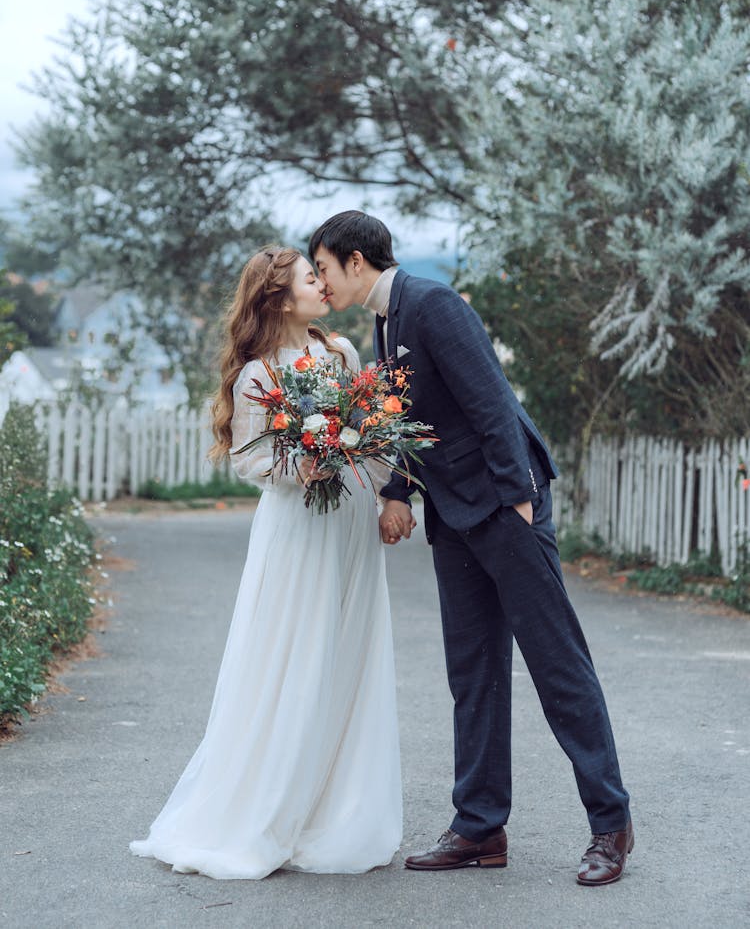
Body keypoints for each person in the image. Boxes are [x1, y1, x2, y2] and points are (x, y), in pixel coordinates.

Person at [309, 211, 633, 887]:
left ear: (356, 262)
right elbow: (406, 415)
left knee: (556, 665)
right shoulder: (386, 320)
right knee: (473, 669)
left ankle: (611, 825)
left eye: (323, 268)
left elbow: (489, 397)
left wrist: (518, 495)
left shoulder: (430, 304)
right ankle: (480, 828)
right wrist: (396, 490)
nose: (319, 280)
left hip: (504, 504)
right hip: (453, 513)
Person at [130, 247, 401, 879]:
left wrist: (389, 491)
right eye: (312, 278)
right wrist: (301, 463)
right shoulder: (257, 375)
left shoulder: (342, 355)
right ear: (279, 298)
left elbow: (377, 430)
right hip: (300, 526)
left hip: (352, 521)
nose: (322, 285)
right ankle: (269, 808)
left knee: (347, 651)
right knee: (295, 654)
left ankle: (339, 807)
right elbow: (251, 459)